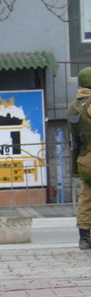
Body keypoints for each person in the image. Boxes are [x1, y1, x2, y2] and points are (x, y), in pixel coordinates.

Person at [69, 66, 91, 251]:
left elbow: (74, 139)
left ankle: (84, 237)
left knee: (86, 196)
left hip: (84, 158)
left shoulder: (74, 105)